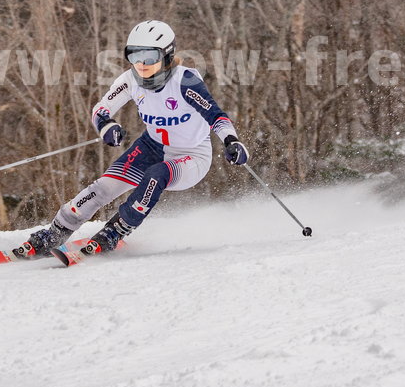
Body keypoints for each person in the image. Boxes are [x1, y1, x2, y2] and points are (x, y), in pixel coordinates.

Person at [14, 20, 249, 259]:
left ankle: (116, 230)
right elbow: (101, 109)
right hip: (152, 146)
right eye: (134, 55)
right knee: (104, 187)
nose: (140, 64)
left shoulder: (185, 81)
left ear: (166, 55)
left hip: (192, 155)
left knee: (156, 175)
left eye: (149, 57)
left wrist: (232, 141)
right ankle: (56, 232)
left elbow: (216, 116)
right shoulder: (130, 80)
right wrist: (107, 126)